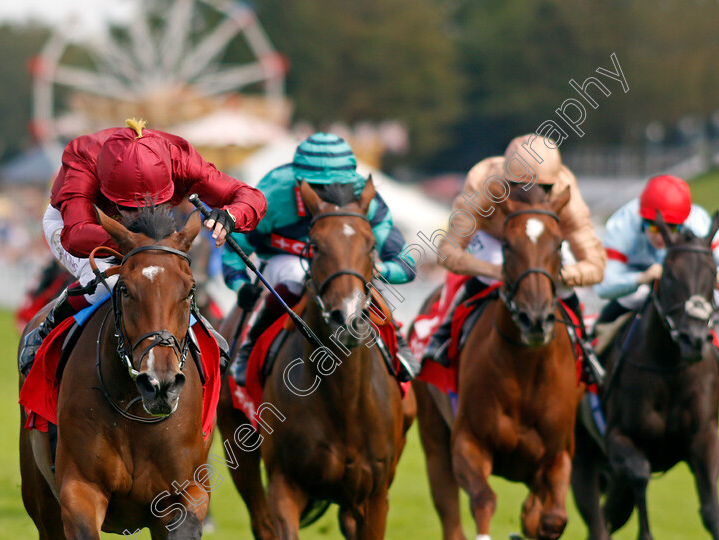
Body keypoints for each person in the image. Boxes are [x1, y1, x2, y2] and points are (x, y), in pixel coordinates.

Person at [18, 119, 266, 375]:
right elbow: (76, 234)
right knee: (110, 283)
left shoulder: (179, 158)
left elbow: (252, 197)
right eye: (128, 207)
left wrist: (232, 215)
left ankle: (197, 321)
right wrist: (136, 242)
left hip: (151, 235)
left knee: (170, 278)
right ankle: (48, 326)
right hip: (78, 224)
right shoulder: (83, 157)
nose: (136, 215)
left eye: (149, 206)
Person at [222, 132, 419, 383]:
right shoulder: (272, 194)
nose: (328, 193)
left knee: (362, 276)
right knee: (294, 278)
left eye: (337, 186)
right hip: (286, 258)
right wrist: (240, 286)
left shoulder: (363, 195)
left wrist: (379, 270)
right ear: (298, 181)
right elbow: (234, 247)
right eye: (317, 186)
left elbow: (405, 263)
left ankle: (398, 343)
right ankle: (249, 347)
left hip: (338, 262)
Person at [423, 133, 606, 376]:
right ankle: (443, 336)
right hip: (494, 239)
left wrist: (560, 275)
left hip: (541, 242)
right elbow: (446, 251)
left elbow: (595, 265)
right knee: (494, 267)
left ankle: (583, 347)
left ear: (554, 185)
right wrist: (497, 271)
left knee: (564, 286)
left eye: (543, 189)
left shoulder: (566, 190)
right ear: (507, 182)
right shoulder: (485, 184)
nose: (531, 197)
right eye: (520, 188)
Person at [594, 174, 719, 324]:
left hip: (685, 287)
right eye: (653, 226)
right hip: (640, 286)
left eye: (672, 228)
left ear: (684, 222)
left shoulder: (699, 224)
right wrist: (642, 277)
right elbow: (603, 287)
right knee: (635, 296)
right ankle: (596, 337)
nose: (661, 237)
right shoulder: (623, 224)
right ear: (642, 218)